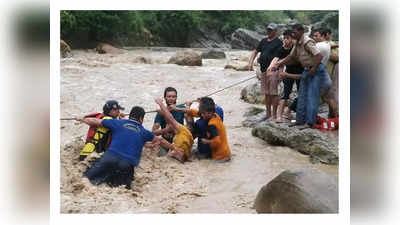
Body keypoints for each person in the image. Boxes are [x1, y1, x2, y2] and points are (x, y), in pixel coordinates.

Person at [76, 106, 165, 190]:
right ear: (141, 119)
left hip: (109, 158)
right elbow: (160, 140)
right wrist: (172, 147)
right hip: (127, 165)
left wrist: (82, 119)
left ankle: (92, 190)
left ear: (129, 116)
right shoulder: (144, 132)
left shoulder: (117, 123)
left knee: (86, 178)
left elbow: (95, 121)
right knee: (122, 189)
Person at [274, 24, 332, 130]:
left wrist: (314, 69)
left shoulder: (307, 42)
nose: (292, 34)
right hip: (306, 70)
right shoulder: (297, 43)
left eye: (294, 32)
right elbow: (291, 57)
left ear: (301, 31)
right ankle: (299, 120)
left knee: (312, 97)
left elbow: (319, 56)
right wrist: (278, 63)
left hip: (316, 70)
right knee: (302, 96)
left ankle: (310, 123)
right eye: (292, 32)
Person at [248, 23, 283, 121]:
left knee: (273, 93)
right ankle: (268, 114)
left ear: (275, 31)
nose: (268, 31)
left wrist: (280, 71)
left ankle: (275, 115)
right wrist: (250, 62)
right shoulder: (263, 41)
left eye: (271, 30)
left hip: (273, 71)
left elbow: (281, 57)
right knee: (266, 93)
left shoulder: (279, 42)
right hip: (263, 70)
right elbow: (255, 51)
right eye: (268, 30)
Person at [272, 29, 303, 123]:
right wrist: (279, 71)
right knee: (285, 94)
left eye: (288, 38)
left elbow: (290, 59)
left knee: (301, 94)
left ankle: (289, 110)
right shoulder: (282, 48)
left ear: (292, 39)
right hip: (288, 72)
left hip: (299, 72)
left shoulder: (296, 47)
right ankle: (279, 116)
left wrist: (278, 65)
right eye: (284, 38)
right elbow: (278, 60)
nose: (285, 40)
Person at [187, 97, 231, 162]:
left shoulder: (208, 124)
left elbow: (217, 141)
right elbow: (196, 112)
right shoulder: (217, 114)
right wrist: (205, 102)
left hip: (218, 156)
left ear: (206, 113)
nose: (201, 114)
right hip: (226, 152)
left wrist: (206, 141)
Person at [154, 98, 194, 163]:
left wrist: (160, 103)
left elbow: (170, 117)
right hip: (184, 155)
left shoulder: (181, 130)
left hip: (177, 156)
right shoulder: (187, 133)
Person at [152, 87, 186, 156]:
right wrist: (165, 130)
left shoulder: (181, 108)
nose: (171, 98)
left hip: (179, 140)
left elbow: (190, 123)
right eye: (169, 96)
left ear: (176, 98)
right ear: (165, 98)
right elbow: (154, 132)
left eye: (173, 97)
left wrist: (182, 108)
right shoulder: (160, 112)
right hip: (166, 142)